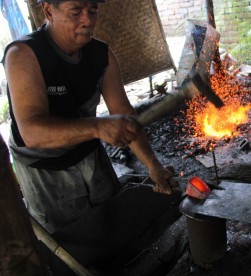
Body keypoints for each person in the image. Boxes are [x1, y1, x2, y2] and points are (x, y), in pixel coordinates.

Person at [1, 0, 180, 271]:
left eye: (92, 10)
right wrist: (98, 127)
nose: (87, 20)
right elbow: (32, 132)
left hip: (89, 154)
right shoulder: (24, 55)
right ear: (49, 11)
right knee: (71, 247)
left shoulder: (101, 55)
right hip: (45, 169)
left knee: (112, 222)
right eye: (76, 11)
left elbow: (126, 116)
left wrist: (153, 166)